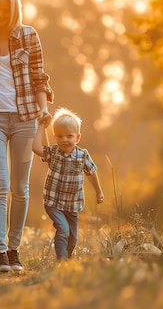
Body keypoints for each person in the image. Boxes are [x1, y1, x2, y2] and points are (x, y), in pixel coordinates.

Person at [0, 0, 53, 273]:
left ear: (14, 10)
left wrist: (43, 108)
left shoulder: (29, 36)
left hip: (25, 120)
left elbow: (39, 77)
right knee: (0, 184)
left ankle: (14, 249)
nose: (0, 15)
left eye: (6, 10)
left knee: (20, 188)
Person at [31, 107, 105, 261]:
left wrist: (98, 191)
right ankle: (61, 259)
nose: (65, 139)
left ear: (77, 137)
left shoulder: (82, 155)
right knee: (63, 229)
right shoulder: (53, 153)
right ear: (55, 137)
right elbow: (36, 147)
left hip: (72, 204)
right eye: (60, 136)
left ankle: (68, 258)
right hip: (54, 202)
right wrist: (40, 127)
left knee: (73, 238)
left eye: (69, 136)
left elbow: (91, 172)